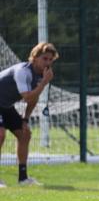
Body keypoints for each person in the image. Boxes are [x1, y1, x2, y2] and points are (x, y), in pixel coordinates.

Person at [0, 42, 58, 188]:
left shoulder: (41, 75)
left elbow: (34, 99)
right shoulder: (23, 71)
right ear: (35, 57)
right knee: (0, 134)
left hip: (5, 105)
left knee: (25, 134)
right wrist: (44, 82)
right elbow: (27, 97)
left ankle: (23, 178)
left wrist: (25, 119)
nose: (48, 62)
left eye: (51, 60)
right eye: (45, 58)